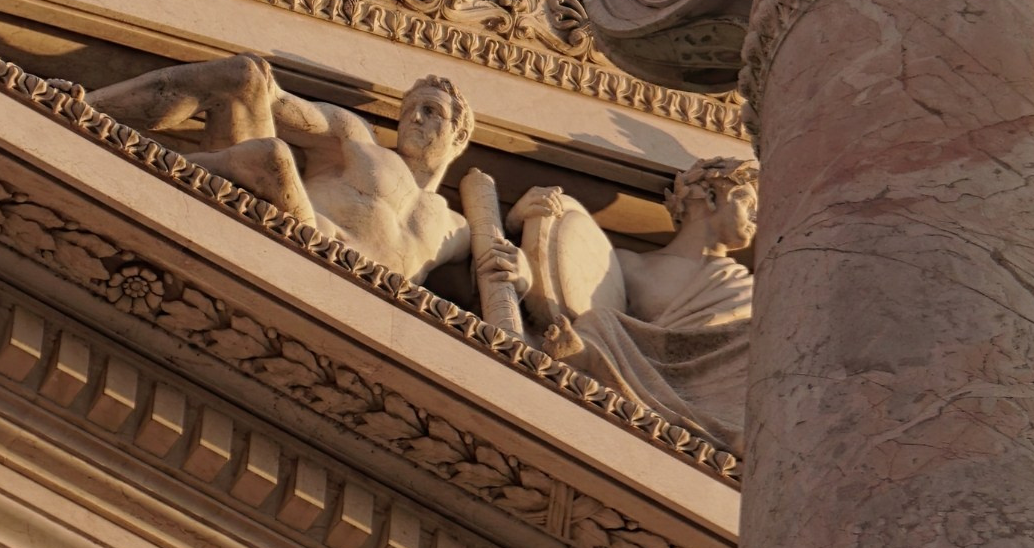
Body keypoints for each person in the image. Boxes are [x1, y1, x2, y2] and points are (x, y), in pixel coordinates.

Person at [94, 54, 510, 292]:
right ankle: (88, 112)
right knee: (249, 83)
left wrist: (520, 274)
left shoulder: (457, 228)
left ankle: (149, 161)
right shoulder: (357, 138)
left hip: (354, 297)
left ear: (459, 136)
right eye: (408, 111)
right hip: (295, 233)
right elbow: (283, 106)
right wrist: (267, 93)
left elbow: (495, 279)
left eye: (430, 111)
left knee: (269, 157)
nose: (413, 118)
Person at [512, 154, 755, 448]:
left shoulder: (753, 289)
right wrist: (518, 226)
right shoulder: (627, 265)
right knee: (599, 320)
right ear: (713, 197)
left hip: (716, 404)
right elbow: (558, 285)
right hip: (624, 383)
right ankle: (587, 355)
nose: (756, 219)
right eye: (748, 204)